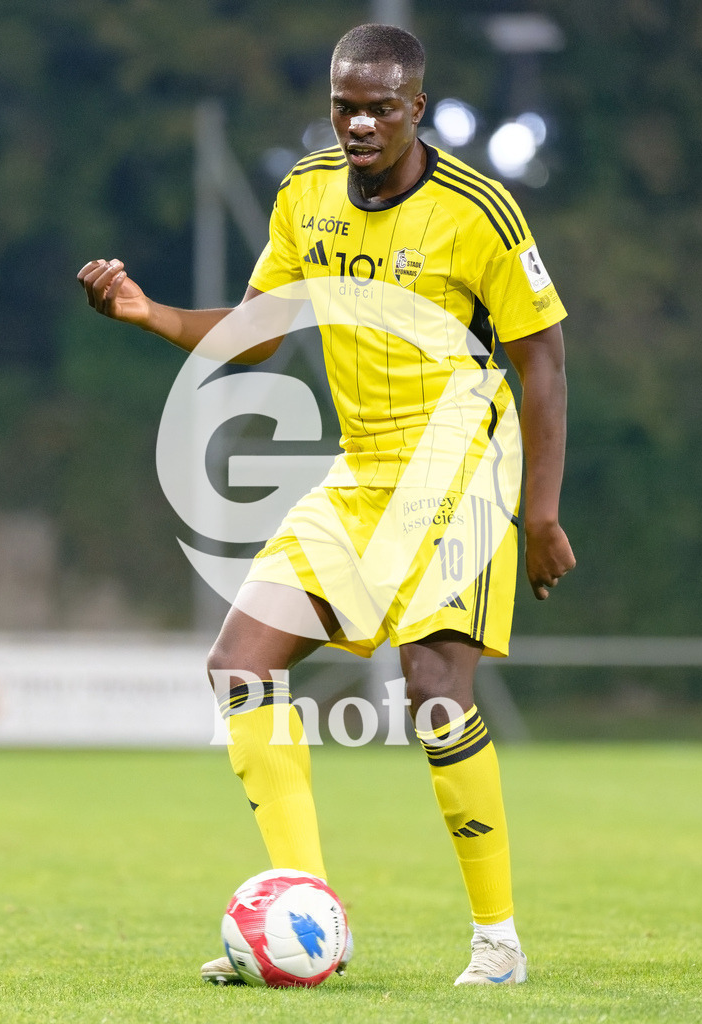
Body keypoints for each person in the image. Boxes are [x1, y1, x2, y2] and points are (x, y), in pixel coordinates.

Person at [78, 23, 575, 987]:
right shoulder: (305, 193)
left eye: (380, 108)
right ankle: (308, 922)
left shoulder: (479, 211)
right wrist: (149, 314)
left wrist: (541, 513)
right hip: (360, 475)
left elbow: (542, 359)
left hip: (463, 475)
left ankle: (497, 942)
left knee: (434, 693)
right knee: (239, 668)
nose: (359, 123)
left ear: (416, 109)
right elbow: (257, 334)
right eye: (345, 105)